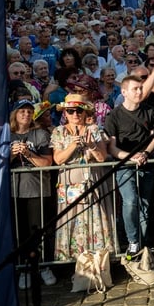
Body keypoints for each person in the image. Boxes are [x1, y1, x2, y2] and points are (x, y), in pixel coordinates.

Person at [50, 95, 114, 262]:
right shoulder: (59, 131)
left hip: (91, 181)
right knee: (71, 217)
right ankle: (73, 260)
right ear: (65, 113)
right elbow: (58, 159)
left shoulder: (94, 130)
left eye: (79, 110)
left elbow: (101, 158)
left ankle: (98, 259)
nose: (75, 114)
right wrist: (72, 145)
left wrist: (91, 145)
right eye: (70, 111)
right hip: (69, 184)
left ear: (85, 112)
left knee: (95, 217)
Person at [104, 74, 154, 258]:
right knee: (130, 201)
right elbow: (112, 147)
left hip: (146, 163)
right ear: (124, 92)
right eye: (135, 88)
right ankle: (133, 241)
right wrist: (130, 157)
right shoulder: (114, 115)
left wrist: (145, 153)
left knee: (144, 205)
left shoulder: (150, 111)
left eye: (141, 88)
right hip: (124, 165)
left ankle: (143, 245)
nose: (139, 91)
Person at [9, 99, 56, 288]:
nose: (26, 115)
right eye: (22, 111)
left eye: (29, 112)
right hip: (15, 191)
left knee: (40, 231)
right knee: (20, 233)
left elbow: (47, 163)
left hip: (38, 189)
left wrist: (28, 154)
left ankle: (43, 266)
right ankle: (25, 269)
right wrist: (12, 154)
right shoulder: (7, 135)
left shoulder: (40, 134)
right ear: (14, 114)